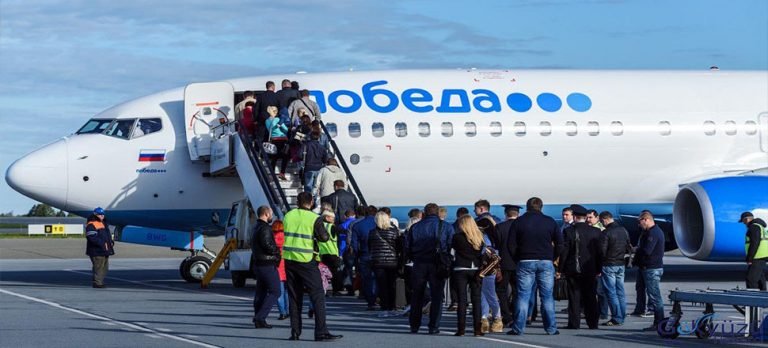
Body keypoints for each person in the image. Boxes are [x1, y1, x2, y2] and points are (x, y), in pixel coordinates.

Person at [282, 192, 343, 341]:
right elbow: (323, 237)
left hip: (289, 260)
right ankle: (321, 332)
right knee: (317, 295)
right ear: (311, 202)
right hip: (306, 260)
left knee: (294, 297)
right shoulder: (314, 218)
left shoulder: (288, 215)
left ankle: (295, 332)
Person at [507, 197, 562, 336]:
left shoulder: (519, 222)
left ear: (527, 207)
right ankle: (551, 328)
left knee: (523, 296)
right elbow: (560, 243)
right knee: (547, 296)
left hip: (525, 261)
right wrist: (553, 257)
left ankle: (518, 328)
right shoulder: (550, 221)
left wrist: (518, 258)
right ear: (541, 207)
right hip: (545, 261)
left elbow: (511, 244)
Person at [405, 203, 454, 334]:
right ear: (438, 213)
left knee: (417, 295)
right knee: (437, 296)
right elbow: (450, 244)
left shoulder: (415, 227)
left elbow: (408, 246)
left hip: (419, 263)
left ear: (424, 213)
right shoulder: (446, 226)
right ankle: (434, 326)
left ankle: (414, 325)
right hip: (437, 263)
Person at [558, 204, 602, 330]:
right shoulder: (596, 231)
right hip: (590, 268)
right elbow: (599, 252)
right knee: (591, 296)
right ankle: (593, 323)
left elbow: (564, 252)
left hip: (573, 269)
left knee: (574, 297)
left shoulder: (569, 231)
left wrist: (560, 269)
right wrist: (599, 268)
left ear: (575, 217)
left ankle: (574, 323)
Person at [451, 215, 485, 336]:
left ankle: (461, 329)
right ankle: (477, 329)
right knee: (476, 300)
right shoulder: (479, 237)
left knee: (462, 299)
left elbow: (451, 251)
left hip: (460, 268)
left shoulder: (457, 237)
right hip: (476, 269)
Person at [251, 206, 281, 329]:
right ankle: (260, 317)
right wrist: (277, 252)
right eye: (271, 213)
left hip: (259, 263)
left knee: (261, 292)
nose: (272, 216)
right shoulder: (265, 228)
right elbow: (267, 245)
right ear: (266, 213)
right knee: (275, 291)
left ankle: (259, 319)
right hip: (267, 263)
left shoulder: (255, 227)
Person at [599, 211, 631, 326]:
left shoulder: (606, 232)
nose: (602, 224)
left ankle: (617, 317)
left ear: (604, 220)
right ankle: (621, 315)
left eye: (602, 222)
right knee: (620, 292)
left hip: (609, 264)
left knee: (611, 292)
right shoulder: (623, 230)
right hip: (620, 263)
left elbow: (602, 251)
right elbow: (628, 247)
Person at [635, 211, 665, 331]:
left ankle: (659, 323)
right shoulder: (649, 232)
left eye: (639, 221)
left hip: (651, 268)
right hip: (646, 267)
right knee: (643, 289)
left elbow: (647, 250)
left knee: (655, 297)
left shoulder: (653, 233)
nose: (639, 224)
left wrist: (637, 250)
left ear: (646, 220)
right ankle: (657, 322)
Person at [369, 211, 402, 317]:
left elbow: (369, 247)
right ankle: (392, 307)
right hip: (392, 261)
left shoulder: (372, 232)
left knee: (382, 286)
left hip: (378, 261)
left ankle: (384, 307)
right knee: (392, 285)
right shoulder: (394, 232)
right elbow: (399, 247)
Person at [496, 204, 520, 327]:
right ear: (518, 214)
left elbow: (496, 246)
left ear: (506, 214)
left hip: (503, 264)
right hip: (519, 264)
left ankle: (506, 316)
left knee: (501, 291)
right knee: (518, 292)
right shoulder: (522, 227)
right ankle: (518, 315)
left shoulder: (500, 227)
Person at [351, 205, 378, 310]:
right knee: (376, 278)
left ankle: (370, 301)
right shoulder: (378, 224)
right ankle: (375, 297)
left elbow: (354, 244)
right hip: (377, 255)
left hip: (364, 254)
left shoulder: (357, 226)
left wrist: (357, 255)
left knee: (366, 279)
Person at [85, 207, 114, 288]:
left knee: (105, 267)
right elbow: (91, 237)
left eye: (103, 214)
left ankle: (99, 281)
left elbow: (106, 235)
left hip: (104, 249)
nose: (102, 216)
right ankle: (97, 283)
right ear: (95, 214)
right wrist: (102, 243)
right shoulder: (92, 224)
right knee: (98, 267)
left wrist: (110, 242)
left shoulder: (103, 223)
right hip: (96, 250)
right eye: (100, 214)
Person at [741, 212, 768, 290]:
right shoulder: (760, 226)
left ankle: (753, 299)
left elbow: (755, 243)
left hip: (758, 256)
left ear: (747, 219)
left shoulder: (754, 227)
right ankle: (763, 298)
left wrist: (750, 258)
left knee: (751, 279)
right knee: (760, 278)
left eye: (743, 221)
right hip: (762, 255)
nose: (744, 223)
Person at [264, 106, 289, 179]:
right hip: (282, 139)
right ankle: (282, 173)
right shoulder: (278, 119)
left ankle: (272, 173)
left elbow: (269, 130)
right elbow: (285, 129)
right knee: (285, 157)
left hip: (273, 140)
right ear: (276, 112)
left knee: (274, 157)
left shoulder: (267, 121)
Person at [272, 220, 290, 320]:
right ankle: (287, 310)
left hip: (277, 267)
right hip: (287, 266)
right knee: (287, 292)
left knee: (279, 292)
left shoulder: (272, 237)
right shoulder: (286, 237)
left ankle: (282, 312)